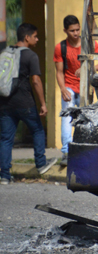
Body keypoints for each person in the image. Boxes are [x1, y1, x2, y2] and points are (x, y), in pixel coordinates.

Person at [0, 23, 58, 184]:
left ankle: (4, 175)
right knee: (38, 131)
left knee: (6, 139)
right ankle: (41, 164)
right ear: (27, 37)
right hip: (25, 103)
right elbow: (36, 81)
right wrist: (43, 104)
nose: (37, 39)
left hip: (5, 103)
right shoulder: (30, 56)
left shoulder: (5, 52)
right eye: (35, 36)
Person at [53, 15, 98, 166]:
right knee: (66, 119)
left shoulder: (88, 44)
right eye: (72, 31)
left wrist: (88, 70)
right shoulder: (60, 47)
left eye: (77, 30)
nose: (76, 33)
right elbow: (59, 71)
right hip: (69, 87)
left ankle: (85, 152)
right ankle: (66, 152)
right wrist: (63, 89)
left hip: (85, 87)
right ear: (65, 31)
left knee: (86, 119)